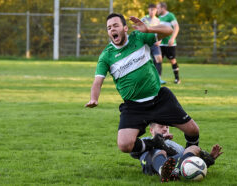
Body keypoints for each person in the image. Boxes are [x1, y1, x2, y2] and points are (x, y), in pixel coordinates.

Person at [85, 13, 200, 162]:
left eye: (115, 25)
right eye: (108, 28)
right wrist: (94, 99)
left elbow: (169, 30)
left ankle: (192, 159)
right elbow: (97, 82)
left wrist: (148, 29)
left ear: (125, 28)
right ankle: (154, 143)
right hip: (134, 106)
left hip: (159, 99)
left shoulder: (139, 37)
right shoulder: (106, 56)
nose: (112, 29)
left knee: (193, 130)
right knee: (124, 144)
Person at [131, 123, 223, 182]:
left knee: (194, 148)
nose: (165, 129)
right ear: (151, 130)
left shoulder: (175, 145)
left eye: (167, 127)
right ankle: (163, 170)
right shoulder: (146, 140)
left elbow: (187, 160)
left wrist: (208, 158)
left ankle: (170, 171)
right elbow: (133, 152)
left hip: (172, 164)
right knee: (160, 151)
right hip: (151, 164)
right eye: (161, 126)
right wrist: (157, 142)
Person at [141, 3, 166, 84]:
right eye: (151, 10)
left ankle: (158, 78)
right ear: (148, 10)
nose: (152, 12)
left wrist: (160, 40)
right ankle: (145, 79)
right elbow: (139, 31)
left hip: (155, 43)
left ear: (156, 10)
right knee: (144, 61)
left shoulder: (158, 20)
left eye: (154, 10)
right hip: (146, 44)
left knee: (159, 59)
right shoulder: (144, 19)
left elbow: (161, 31)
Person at [157, 2, 181, 84]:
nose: (157, 10)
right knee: (158, 60)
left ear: (163, 8)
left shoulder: (170, 16)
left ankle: (177, 79)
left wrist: (172, 38)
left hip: (169, 43)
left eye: (158, 8)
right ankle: (158, 79)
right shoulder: (159, 18)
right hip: (161, 43)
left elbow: (176, 27)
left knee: (172, 60)